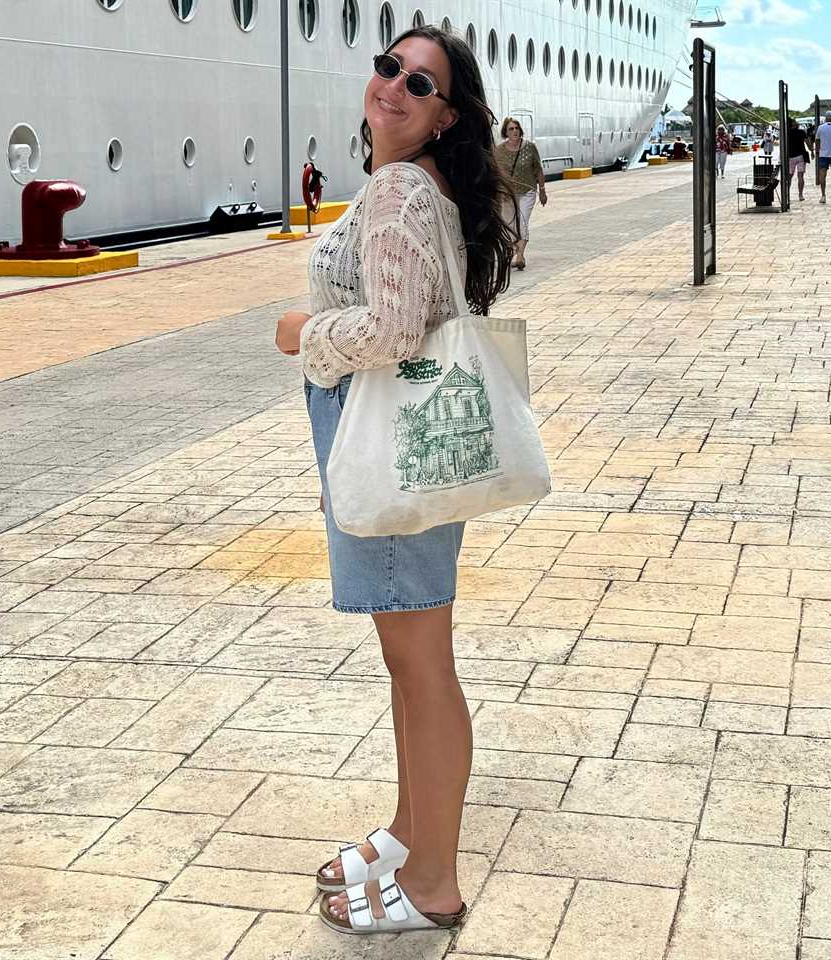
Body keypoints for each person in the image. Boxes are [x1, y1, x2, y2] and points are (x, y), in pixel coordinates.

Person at [274, 24, 516, 936]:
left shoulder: (402, 191)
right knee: (409, 661)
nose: (394, 87)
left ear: (445, 114)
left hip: (389, 443)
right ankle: (414, 837)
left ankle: (435, 884)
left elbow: (394, 333)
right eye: (388, 68)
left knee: (421, 667)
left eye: (420, 83)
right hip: (393, 446)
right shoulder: (410, 186)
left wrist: (303, 334)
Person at [495, 116, 547, 270]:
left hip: (527, 191)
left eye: (517, 128)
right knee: (510, 224)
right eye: (511, 129)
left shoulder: (529, 147)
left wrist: (542, 190)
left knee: (522, 222)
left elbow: (538, 169)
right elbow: (496, 173)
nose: (515, 131)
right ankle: (515, 251)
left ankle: (520, 256)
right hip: (507, 194)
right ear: (506, 132)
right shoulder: (500, 151)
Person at [785, 116, 811, 201]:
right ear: (793, 124)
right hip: (801, 156)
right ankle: (800, 195)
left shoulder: (786, 133)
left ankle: (787, 194)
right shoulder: (801, 132)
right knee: (800, 176)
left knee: (789, 176)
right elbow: (808, 143)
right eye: (795, 121)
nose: (797, 122)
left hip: (790, 157)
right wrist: (812, 150)